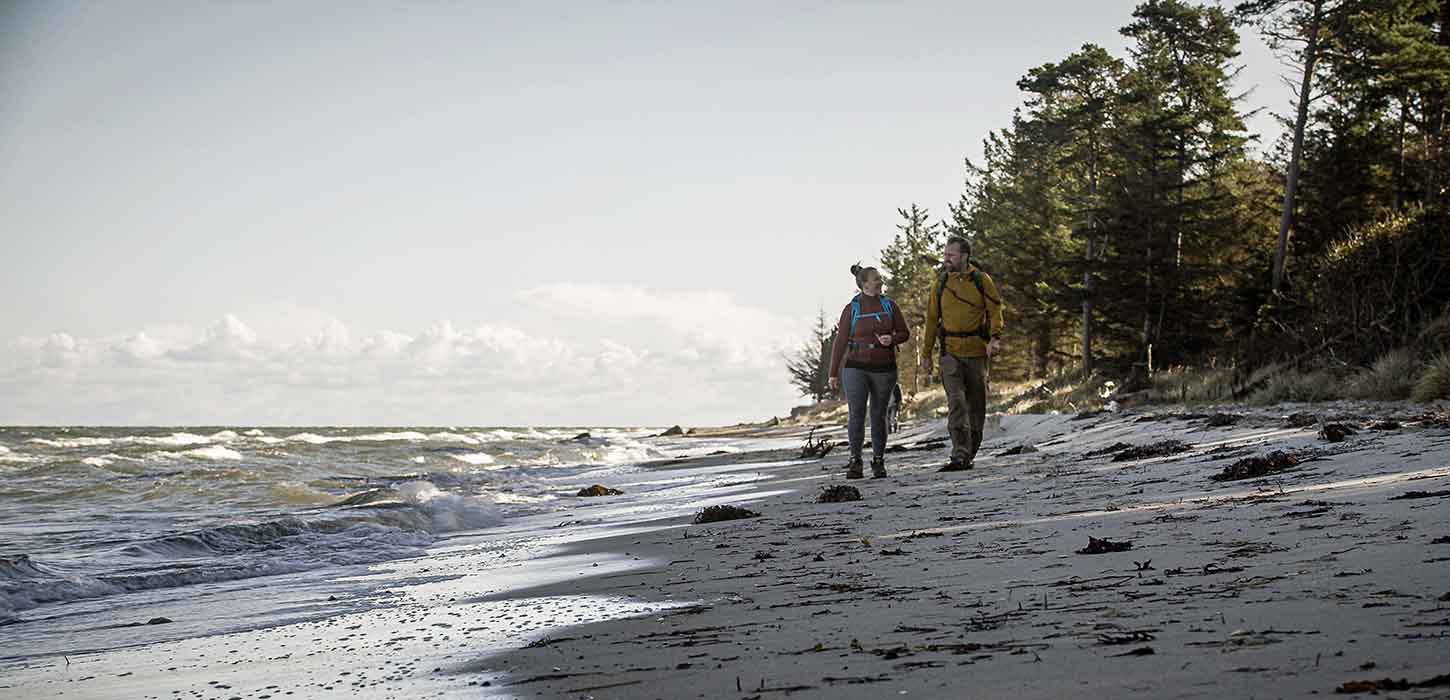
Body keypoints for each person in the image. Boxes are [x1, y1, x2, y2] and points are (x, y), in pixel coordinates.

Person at [919, 236, 1004, 471]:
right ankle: (959, 452)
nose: (946, 258)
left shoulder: (981, 280)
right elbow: (931, 320)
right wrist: (926, 355)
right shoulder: (941, 283)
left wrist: (994, 338)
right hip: (950, 353)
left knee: (976, 406)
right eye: (945, 254)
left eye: (951, 255)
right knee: (956, 401)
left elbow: (995, 309)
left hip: (977, 351)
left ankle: (969, 453)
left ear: (964, 256)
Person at [827, 264, 910, 479]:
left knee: (879, 414)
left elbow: (904, 333)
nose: (881, 281)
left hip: (885, 367)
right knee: (857, 413)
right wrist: (833, 372)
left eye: (880, 278)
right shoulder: (852, 308)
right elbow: (841, 341)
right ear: (864, 284)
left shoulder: (889, 305)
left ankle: (878, 461)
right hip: (856, 366)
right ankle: (855, 461)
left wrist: (891, 339)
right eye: (876, 279)